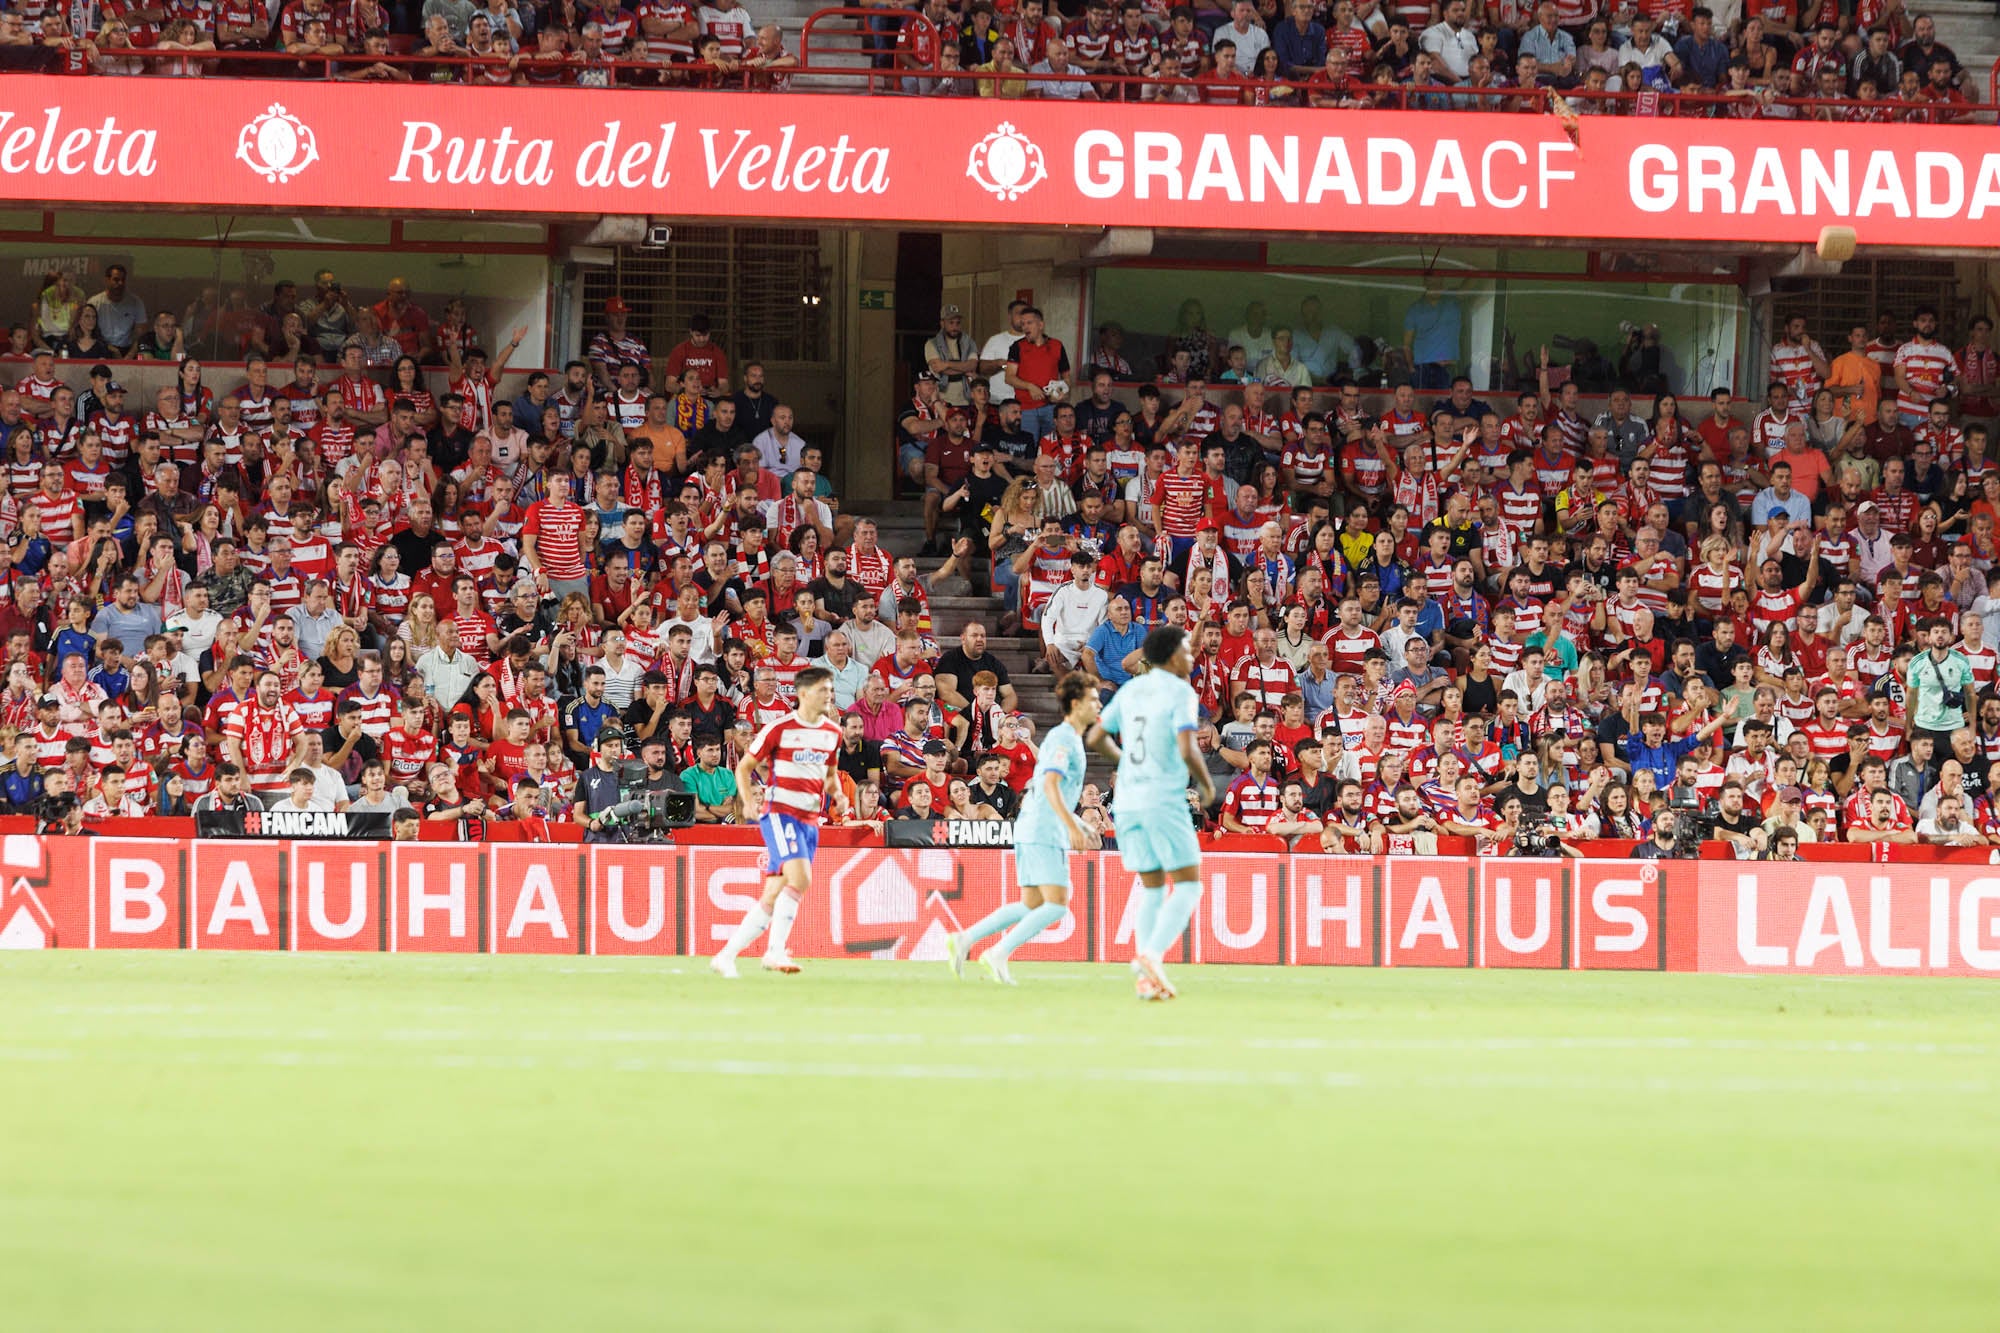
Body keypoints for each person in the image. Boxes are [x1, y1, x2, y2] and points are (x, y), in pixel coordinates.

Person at [945, 671, 1102, 984]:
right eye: (1093, 700)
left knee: (1032, 902)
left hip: (1034, 824)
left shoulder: (1068, 737)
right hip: (1044, 826)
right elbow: (1050, 783)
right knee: (1057, 904)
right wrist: (1074, 824)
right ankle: (998, 953)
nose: (1099, 706)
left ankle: (965, 940)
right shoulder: (1063, 737)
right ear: (1075, 703)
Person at [1090, 626, 1216, 1001]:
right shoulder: (1180, 691)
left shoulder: (1130, 690)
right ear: (1171, 655)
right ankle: (1151, 955)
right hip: (1162, 797)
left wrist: (1126, 760)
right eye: (1186, 650)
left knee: (1153, 886)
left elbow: (1096, 737)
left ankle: (1146, 976)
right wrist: (1207, 785)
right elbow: (1187, 746)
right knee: (1190, 884)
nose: (1191, 655)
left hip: (1127, 799)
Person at [711, 666, 847, 978]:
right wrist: (747, 802)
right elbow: (744, 768)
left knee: (774, 892)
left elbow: (829, 777)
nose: (829, 695)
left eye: (830, 689)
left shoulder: (832, 732)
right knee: (801, 879)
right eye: (822, 690)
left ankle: (726, 955)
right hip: (780, 813)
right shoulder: (779, 729)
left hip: (810, 819)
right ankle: (774, 952)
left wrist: (838, 794)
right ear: (803, 694)